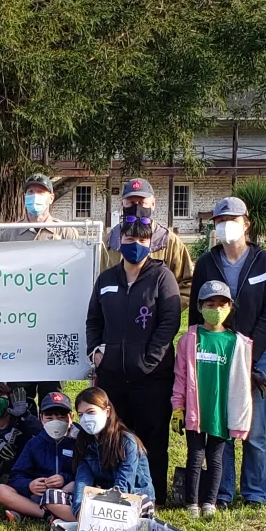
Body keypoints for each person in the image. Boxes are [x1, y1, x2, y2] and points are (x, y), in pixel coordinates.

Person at [190, 196, 266, 507]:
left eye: (233, 220)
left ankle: (256, 492)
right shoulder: (205, 263)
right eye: (220, 221)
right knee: (219, 427)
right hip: (214, 353)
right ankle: (221, 492)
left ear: (246, 224)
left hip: (257, 354)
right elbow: (195, 312)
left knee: (254, 428)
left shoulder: (264, 261)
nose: (227, 226)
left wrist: (247, 359)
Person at [85, 213, 180, 501]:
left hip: (152, 377)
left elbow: (169, 322)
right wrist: (97, 353)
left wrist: (149, 361)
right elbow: (93, 320)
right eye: (129, 239)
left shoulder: (162, 277)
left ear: (151, 243)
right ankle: (116, 494)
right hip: (113, 376)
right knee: (115, 437)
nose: (135, 244)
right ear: (119, 242)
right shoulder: (106, 279)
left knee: (152, 438)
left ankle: (152, 496)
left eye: (142, 239)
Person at [172, 281, 254, 517]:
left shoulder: (236, 342)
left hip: (221, 411)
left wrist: (240, 415)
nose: (216, 309)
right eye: (210, 303)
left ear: (230, 307)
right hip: (196, 411)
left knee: (216, 458)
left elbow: (241, 382)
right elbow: (180, 376)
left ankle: (210, 502)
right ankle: (191, 503)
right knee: (195, 457)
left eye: (222, 304)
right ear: (199, 307)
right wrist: (178, 407)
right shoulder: (189, 340)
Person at [49, 386, 155, 522]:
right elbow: (83, 480)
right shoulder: (84, 442)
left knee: (143, 503)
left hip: (131, 498)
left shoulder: (126, 441)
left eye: (91, 412)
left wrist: (108, 508)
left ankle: (88, 520)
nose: (86, 419)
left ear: (107, 412)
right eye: (81, 415)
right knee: (51, 496)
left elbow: (124, 485)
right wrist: (80, 508)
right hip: (100, 496)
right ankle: (87, 520)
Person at [99, 178, 193, 303]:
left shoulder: (169, 241)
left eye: (142, 203)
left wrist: (166, 309)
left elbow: (188, 284)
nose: (136, 208)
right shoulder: (107, 242)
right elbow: (97, 281)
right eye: (131, 203)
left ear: (153, 204)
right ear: (122, 204)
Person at [0, 390, 78, 522]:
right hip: (38, 495)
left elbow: (85, 473)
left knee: (76, 485)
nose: (55, 421)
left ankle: (26, 512)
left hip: (67, 494)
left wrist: (64, 479)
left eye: (61, 417)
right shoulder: (34, 444)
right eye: (49, 418)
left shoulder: (79, 442)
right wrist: (30, 485)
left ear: (71, 418)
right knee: (0, 490)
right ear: (41, 418)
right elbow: (16, 476)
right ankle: (46, 514)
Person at [0, 174, 79, 242]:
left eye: (40, 192)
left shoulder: (66, 232)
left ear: (51, 198)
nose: (35, 196)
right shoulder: (8, 234)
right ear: (25, 197)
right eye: (30, 192)